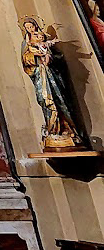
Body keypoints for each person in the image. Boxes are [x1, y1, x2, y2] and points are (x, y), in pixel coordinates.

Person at [20, 16, 86, 151]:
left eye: (31, 26)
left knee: (60, 100)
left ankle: (68, 128)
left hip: (52, 76)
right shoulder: (26, 43)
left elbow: (59, 57)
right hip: (39, 75)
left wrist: (48, 56)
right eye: (27, 28)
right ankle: (53, 130)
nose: (30, 29)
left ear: (36, 25)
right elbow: (25, 60)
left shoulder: (44, 38)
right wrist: (36, 56)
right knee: (44, 99)